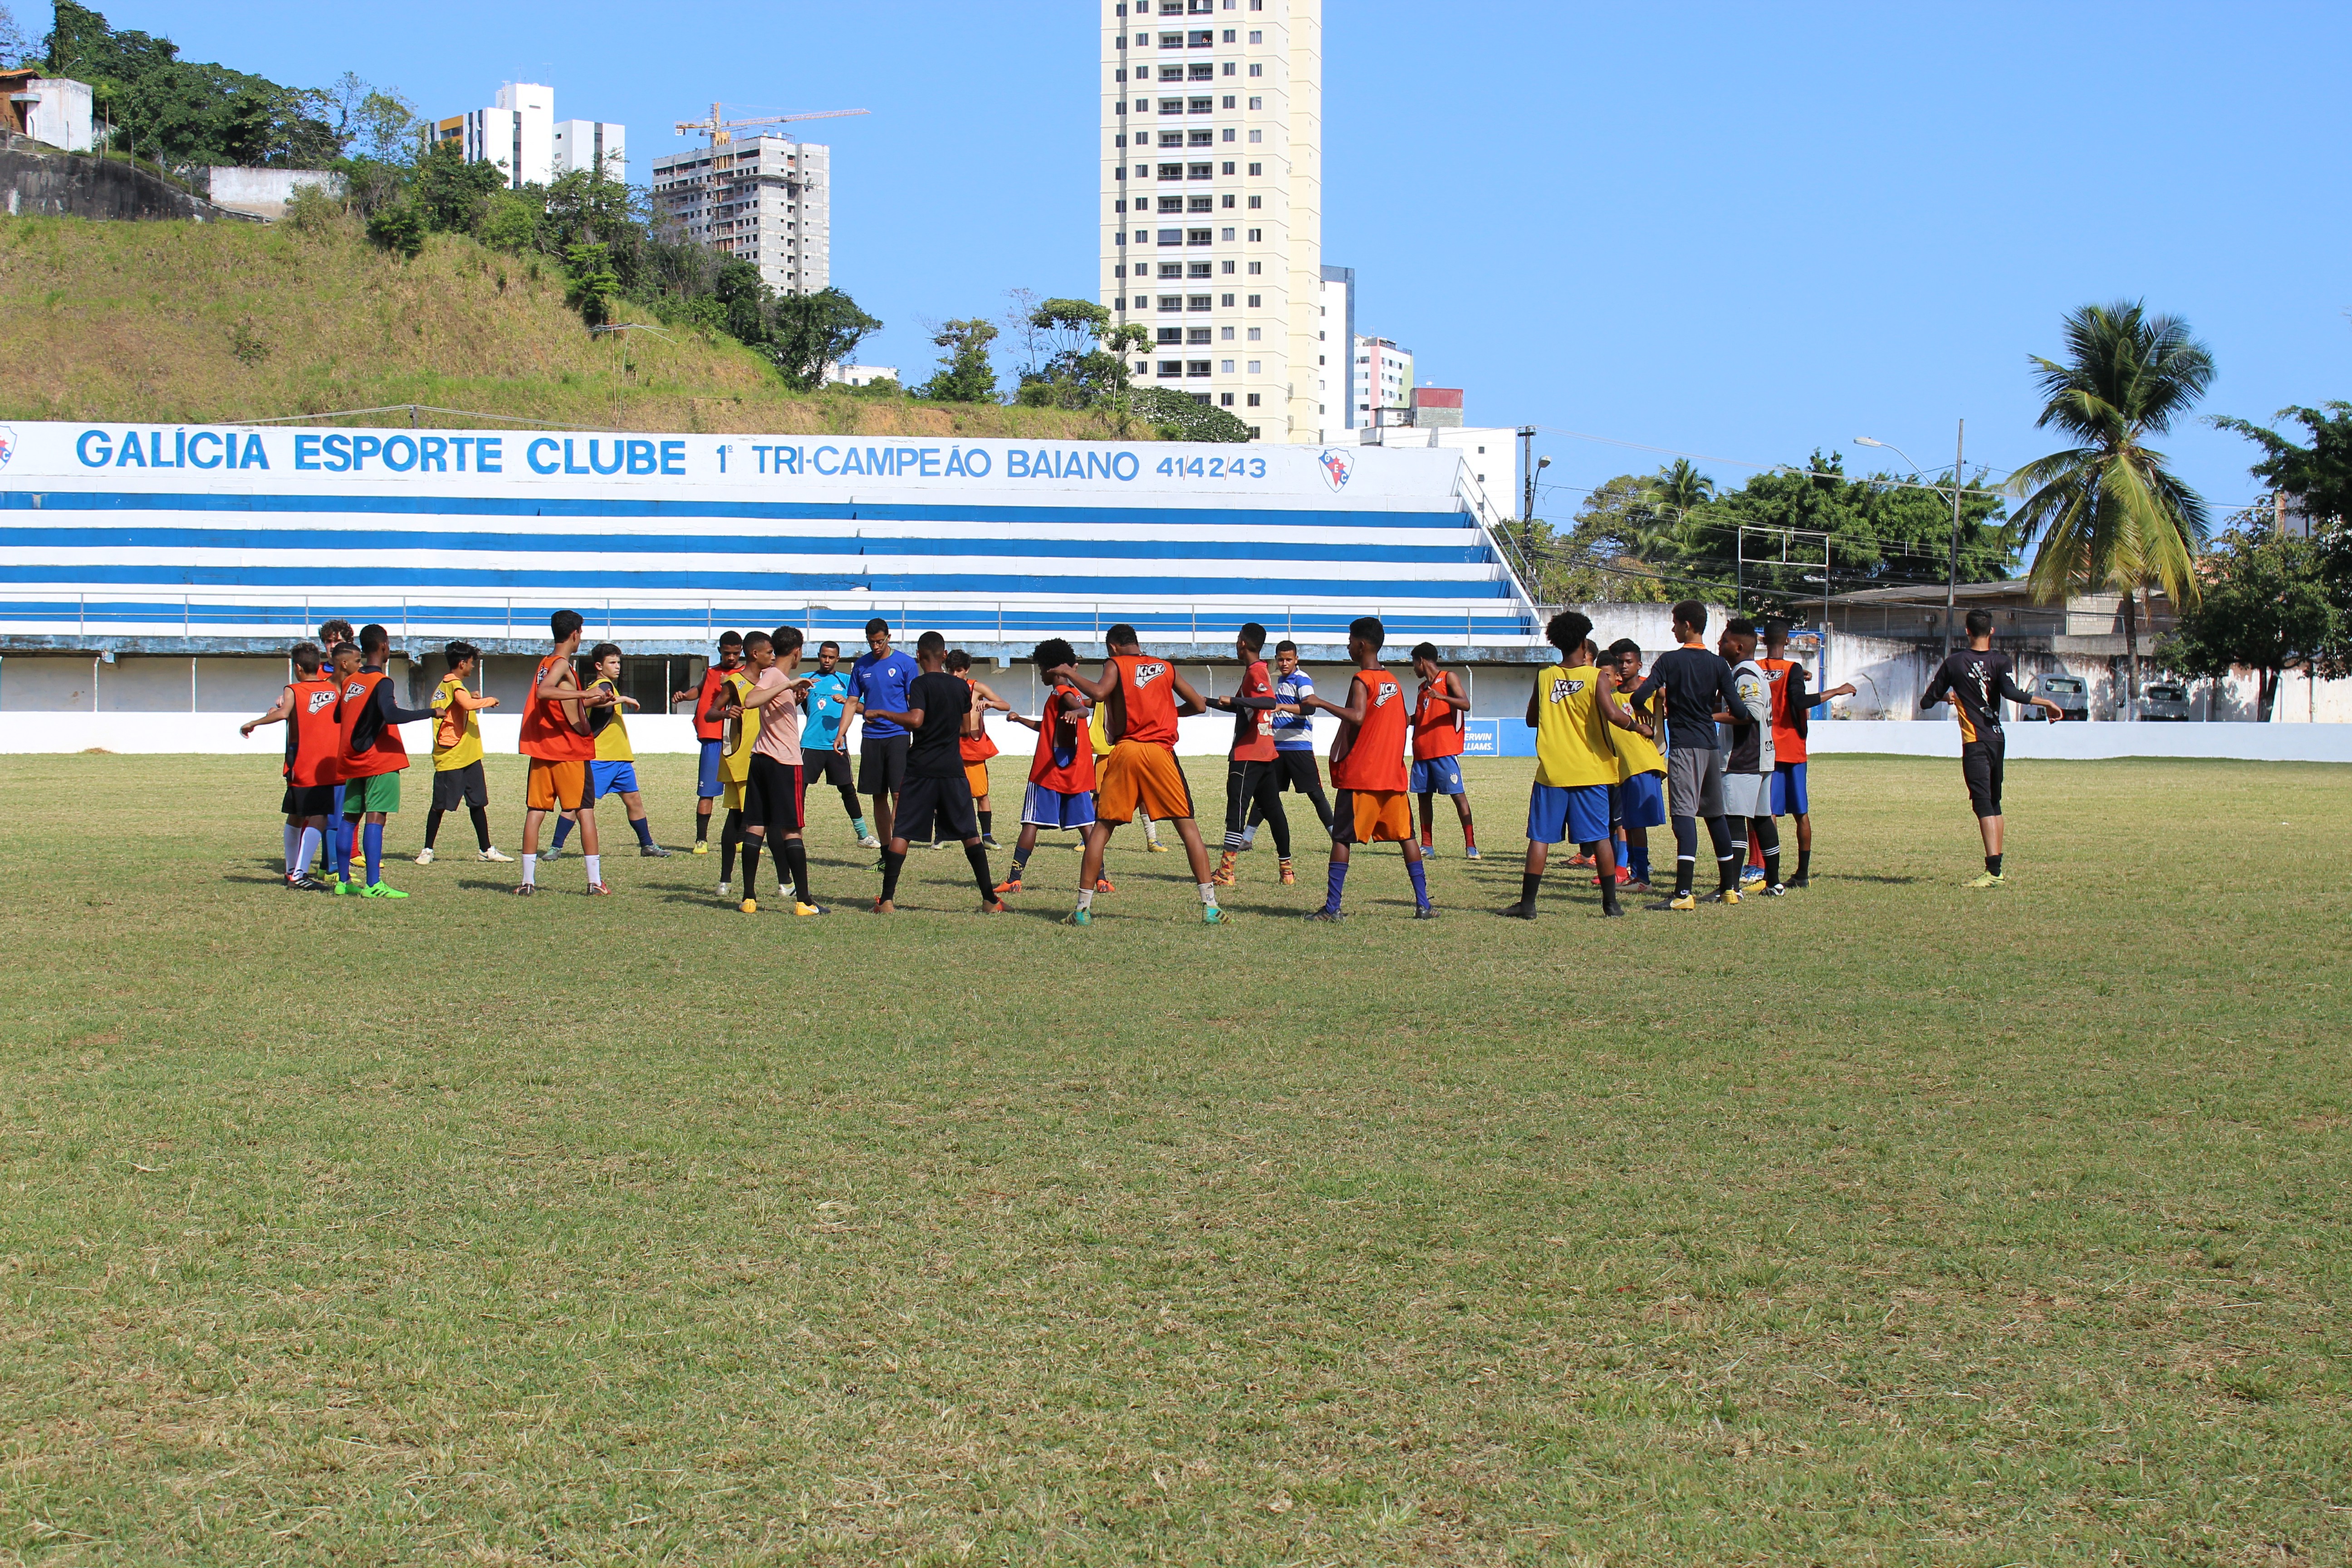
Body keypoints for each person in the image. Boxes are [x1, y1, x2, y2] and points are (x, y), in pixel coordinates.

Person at [1053, 625, 1223, 926]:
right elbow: (1198, 705)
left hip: (1128, 750)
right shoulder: (1165, 666)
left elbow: (1100, 692)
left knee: (1102, 829)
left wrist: (1068, 673)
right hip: (1161, 754)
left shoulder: (1116, 664)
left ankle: (1082, 909)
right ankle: (1210, 907)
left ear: (1113, 647)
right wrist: (1169, 712)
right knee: (1188, 828)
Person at [1509, 612, 1646, 919]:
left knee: (1540, 838)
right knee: (1600, 837)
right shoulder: (1595, 676)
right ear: (1584, 643)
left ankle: (1528, 905)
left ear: (1556, 643)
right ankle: (1611, 904)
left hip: (1553, 772)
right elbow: (1612, 714)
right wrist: (1640, 728)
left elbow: (1533, 719)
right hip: (1591, 770)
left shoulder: (1544, 677)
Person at [862, 631, 1006, 915]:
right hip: (952, 768)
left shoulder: (919, 684)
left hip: (920, 769)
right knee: (970, 833)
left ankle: (887, 901)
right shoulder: (961, 688)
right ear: (944, 656)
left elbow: (916, 720)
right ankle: (990, 900)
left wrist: (881, 713)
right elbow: (966, 729)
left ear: (918, 656)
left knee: (902, 831)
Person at [1297, 616, 1430, 921]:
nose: (1347, 646)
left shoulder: (1362, 680)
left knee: (1342, 839)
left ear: (1361, 645)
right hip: (1392, 776)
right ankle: (1423, 904)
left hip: (1363, 776)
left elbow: (1357, 717)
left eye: (1349, 641)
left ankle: (1332, 909)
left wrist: (1320, 702)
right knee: (1407, 837)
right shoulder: (1393, 682)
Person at [1921, 608, 2064, 887]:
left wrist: (1948, 697)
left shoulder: (1955, 663)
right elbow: (2011, 694)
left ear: (1967, 631)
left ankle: (1994, 871)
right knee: (1995, 803)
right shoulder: (2001, 661)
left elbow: (1927, 701)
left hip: (1975, 742)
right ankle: (1997, 868)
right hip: (1998, 738)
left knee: (1983, 804)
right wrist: (2046, 702)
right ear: (1992, 632)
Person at [1627, 600, 1749, 911]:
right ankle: (1728, 888)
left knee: (1684, 818)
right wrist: (1707, 712)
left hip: (1684, 747)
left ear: (1687, 626)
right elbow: (1739, 710)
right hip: (1711, 747)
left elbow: (1640, 695)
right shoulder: (1719, 665)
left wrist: (1659, 709)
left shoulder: (1670, 661)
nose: (1673, 628)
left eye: (1675, 623)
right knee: (1715, 816)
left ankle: (1683, 894)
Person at [727, 627, 830, 916]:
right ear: (797, 651)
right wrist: (788, 686)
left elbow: (770, 707)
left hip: (762, 759)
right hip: (784, 762)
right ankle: (805, 902)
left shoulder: (777, 678)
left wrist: (793, 697)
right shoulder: (775, 675)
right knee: (792, 830)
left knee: (756, 826)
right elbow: (749, 701)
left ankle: (749, 899)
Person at [330, 624, 439, 898]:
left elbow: (337, 717)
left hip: (352, 760)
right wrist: (431, 712)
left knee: (349, 819)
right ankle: (373, 885)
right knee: (376, 818)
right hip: (377, 761)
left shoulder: (350, 681)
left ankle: (343, 882)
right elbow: (390, 714)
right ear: (384, 646)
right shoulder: (382, 681)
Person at [514, 609, 616, 896]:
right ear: (575, 634)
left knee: (535, 812)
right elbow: (544, 693)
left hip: (544, 751)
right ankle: (595, 882)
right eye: (581, 633)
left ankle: (527, 882)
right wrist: (584, 694)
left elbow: (561, 705)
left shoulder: (546, 663)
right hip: (570, 751)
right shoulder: (561, 664)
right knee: (585, 812)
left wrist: (593, 700)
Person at [1756, 619, 1856, 887]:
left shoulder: (1753, 670)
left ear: (1764, 641)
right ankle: (1802, 873)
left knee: (1770, 813)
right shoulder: (1793, 669)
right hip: (1794, 748)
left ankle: (1769, 873)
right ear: (1787, 641)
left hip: (1766, 749)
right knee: (1801, 813)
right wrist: (1835, 691)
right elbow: (1799, 701)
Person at [995, 637, 1096, 894]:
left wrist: (1078, 713)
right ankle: (1102, 879)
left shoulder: (1063, 693)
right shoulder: (1064, 693)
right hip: (1072, 768)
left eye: (1041, 668)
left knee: (1031, 822)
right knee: (1086, 825)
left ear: (1051, 669)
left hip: (1049, 768)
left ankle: (1014, 878)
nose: (1040, 673)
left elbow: (1081, 710)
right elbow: (1048, 729)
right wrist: (1021, 720)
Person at [550, 643, 668, 859]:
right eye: (612, 663)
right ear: (599, 665)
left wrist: (618, 698)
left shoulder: (607, 687)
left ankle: (647, 845)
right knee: (577, 805)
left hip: (621, 759)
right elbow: (587, 701)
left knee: (634, 801)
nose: (617, 667)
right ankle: (555, 847)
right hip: (602, 758)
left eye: (618, 663)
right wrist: (623, 699)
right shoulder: (602, 684)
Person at [240, 641, 337, 890]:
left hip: (300, 763)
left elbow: (284, 714)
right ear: (318, 665)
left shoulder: (293, 690)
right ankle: (299, 874)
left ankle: (292, 871)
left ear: (297, 667)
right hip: (325, 764)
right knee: (318, 818)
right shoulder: (334, 690)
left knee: (297, 815)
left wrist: (255, 722)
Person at [1204, 621, 1291, 887]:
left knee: (1236, 812)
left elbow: (1268, 702)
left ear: (1243, 643)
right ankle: (1287, 871)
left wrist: (1235, 700)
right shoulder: (1255, 671)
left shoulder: (1256, 672)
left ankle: (1226, 872)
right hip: (1266, 754)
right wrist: (1205, 701)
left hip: (1247, 756)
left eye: (1238, 638)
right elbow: (1244, 709)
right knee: (1274, 811)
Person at [417, 641, 508, 865]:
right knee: (439, 806)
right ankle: (427, 850)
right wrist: (490, 700)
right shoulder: (453, 683)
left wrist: (472, 697)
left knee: (478, 804)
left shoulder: (448, 685)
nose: (472, 667)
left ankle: (486, 849)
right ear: (462, 663)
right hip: (453, 757)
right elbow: (466, 705)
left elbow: (459, 705)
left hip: (469, 755)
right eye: (471, 664)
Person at [1716, 618, 1784, 897]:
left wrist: (1707, 717)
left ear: (1739, 647)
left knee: (1734, 819)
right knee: (1761, 819)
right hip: (1761, 756)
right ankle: (1774, 882)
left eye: (1724, 641)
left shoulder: (1744, 673)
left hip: (1745, 758)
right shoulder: (1746, 671)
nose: (1720, 645)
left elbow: (1751, 712)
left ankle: (1733, 888)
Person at [1246, 639, 1332, 848]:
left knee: (1315, 793)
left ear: (1296, 659)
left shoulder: (1302, 679)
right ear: (1276, 660)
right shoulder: (1280, 680)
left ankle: (1337, 837)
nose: (1285, 663)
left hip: (1298, 746)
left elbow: (1310, 708)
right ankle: (1246, 839)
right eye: (1281, 660)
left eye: (1289, 660)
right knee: (1266, 793)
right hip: (1277, 747)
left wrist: (1281, 707)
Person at [1603, 639, 1667, 892]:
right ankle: (1638, 872)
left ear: (1640, 664)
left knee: (1637, 824)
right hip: (1625, 769)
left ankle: (1643, 877)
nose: (1625, 666)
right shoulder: (1612, 698)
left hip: (1644, 764)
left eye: (1630, 662)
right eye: (1621, 662)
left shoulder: (1652, 693)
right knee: (1629, 824)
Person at [673, 631, 744, 855]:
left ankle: (740, 839)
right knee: (707, 792)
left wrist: (731, 685)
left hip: (735, 739)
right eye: (727, 653)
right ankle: (701, 839)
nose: (731, 658)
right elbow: (700, 690)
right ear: (720, 651)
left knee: (740, 791)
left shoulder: (746, 673)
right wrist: (686, 695)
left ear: (741, 651)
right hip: (712, 737)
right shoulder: (711, 672)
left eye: (735, 653)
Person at [1408, 643, 1480, 859]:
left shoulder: (1449, 677)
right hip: (1422, 752)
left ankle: (1471, 846)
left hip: (1444, 752)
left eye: (1414, 663)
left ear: (1421, 660)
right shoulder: (1422, 690)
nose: (1414, 668)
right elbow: (1420, 719)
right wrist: (1401, 720)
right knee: (1423, 798)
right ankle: (1427, 846)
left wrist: (1441, 697)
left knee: (1458, 797)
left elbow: (1465, 704)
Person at [798, 639, 872, 844]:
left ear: (838, 658)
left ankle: (863, 835)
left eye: (831, 657)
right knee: (799, 790)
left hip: (837, 745)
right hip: (810, 744)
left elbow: (864, 709)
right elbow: (799, 704)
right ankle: (794, 834)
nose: (827, 660)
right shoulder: (806, 679)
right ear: (819, 656)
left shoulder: (847, 681)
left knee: (848, 789)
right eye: (824, 656)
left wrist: (848, 702)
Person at [704, 650, 763, 901]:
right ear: (756, 653)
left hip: (765, 757)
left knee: (765, 822)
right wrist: (726, 713)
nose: (773, 657)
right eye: (769, 652)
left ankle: (784, 882)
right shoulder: (735, 683)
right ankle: (726, 880)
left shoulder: (770, 680)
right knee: (737, 819)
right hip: (740, 758)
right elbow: (710, 713)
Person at [1088, 684, 1168, 857]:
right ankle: (1087, 837)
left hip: (1130, 750)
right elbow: (1091, 702)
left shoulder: (1131, 694)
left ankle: (1152, 839)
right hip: (1105, 751)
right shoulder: (1101, 693)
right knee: (1098, 794)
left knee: (1143, 795)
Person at [946, 648, 1014, 848]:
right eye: (951, 671)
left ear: (966, 670)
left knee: (981, 793)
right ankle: (941, 837)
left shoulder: (976, 687)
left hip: (973, 744)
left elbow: (1006, 705)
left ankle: (987, 836)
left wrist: (990, 704)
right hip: (951, 743)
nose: (955, 675)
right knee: (945, 791)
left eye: (958, 670)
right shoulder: (944, 686)